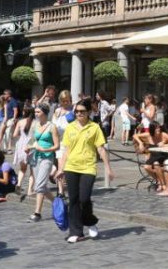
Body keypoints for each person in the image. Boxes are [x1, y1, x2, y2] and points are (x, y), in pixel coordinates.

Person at [56, 99, 115, 243]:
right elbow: (66, 150)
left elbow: (101, 149)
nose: (79, 114)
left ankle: (90, 221)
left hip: (88, 167)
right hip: (71, 167)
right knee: (74, 200)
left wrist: (108, 168)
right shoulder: (70, 128)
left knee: (84, 198)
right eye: (76, 111)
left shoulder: (94, 127)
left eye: (82, 111)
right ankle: (76, 232)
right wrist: (60, 169)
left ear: (88, 112)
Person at [26, 104, 60, 222]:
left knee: (39, 186)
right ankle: (57, 203)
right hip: (36, 157)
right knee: (41, 185)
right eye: (35, 112)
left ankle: (37, 213)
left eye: (38, 112)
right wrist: (28, 147)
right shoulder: (35, 125)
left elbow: (57, 146)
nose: (36, 114)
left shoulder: (52, 127)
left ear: (45, 113)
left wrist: (45, 149)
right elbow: (33, 140)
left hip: (47, 158)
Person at [134, 121, 168, 193]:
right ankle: (159, 181)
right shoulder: (148, 135)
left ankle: (162, 184)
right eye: (156, 128)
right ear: (152, 129)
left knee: (156, 164)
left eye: (159, 127)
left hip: (163, 156)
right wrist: (140, 143)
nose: (159, 129)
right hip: (154, 156)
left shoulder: (163, 134)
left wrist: (164, 144)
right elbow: (135, 136)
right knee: (147, 167)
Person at [53, 90, 73, 197]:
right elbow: (53, 126)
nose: (65, 103)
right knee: (61, 167)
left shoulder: (74, 111)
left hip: (71, 143)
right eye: (63, 101)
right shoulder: (57, 111)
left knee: (68, 168)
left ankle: (70, 188)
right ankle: (61, 191)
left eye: (67, 101)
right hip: (60, 143)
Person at [12, 107, 35, 193]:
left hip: (21, 145)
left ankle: (19, 184)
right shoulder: (36, 122)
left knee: (22, 168)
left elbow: (14, 135)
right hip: (31, 145)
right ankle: (29, 190)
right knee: (33, 170)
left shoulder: (20, 122)